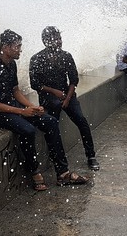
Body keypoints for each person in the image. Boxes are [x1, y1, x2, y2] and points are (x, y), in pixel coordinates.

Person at [0, 29, 88, 191]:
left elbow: (15, 91)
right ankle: (34, 171)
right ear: (5, 47)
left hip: (11, 104)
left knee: (50, 121)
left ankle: (63, 173)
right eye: (17, 46)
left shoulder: (11, 64)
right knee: (27, 130)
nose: (20, 50)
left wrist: (31, 107)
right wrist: (22, 112)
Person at [29, 26, 100, 171]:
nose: (59, 41)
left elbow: (74, 80)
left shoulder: (66, 56)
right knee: (51, 125)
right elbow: (35, 84)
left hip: (67, 95)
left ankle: (91, 156)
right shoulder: (36, 59)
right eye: (55, 39)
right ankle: (57, 159)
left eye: (60, 38)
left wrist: (67, 99)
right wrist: (54, 92)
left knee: (82, 121)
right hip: (48, 98)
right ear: (46, 41)